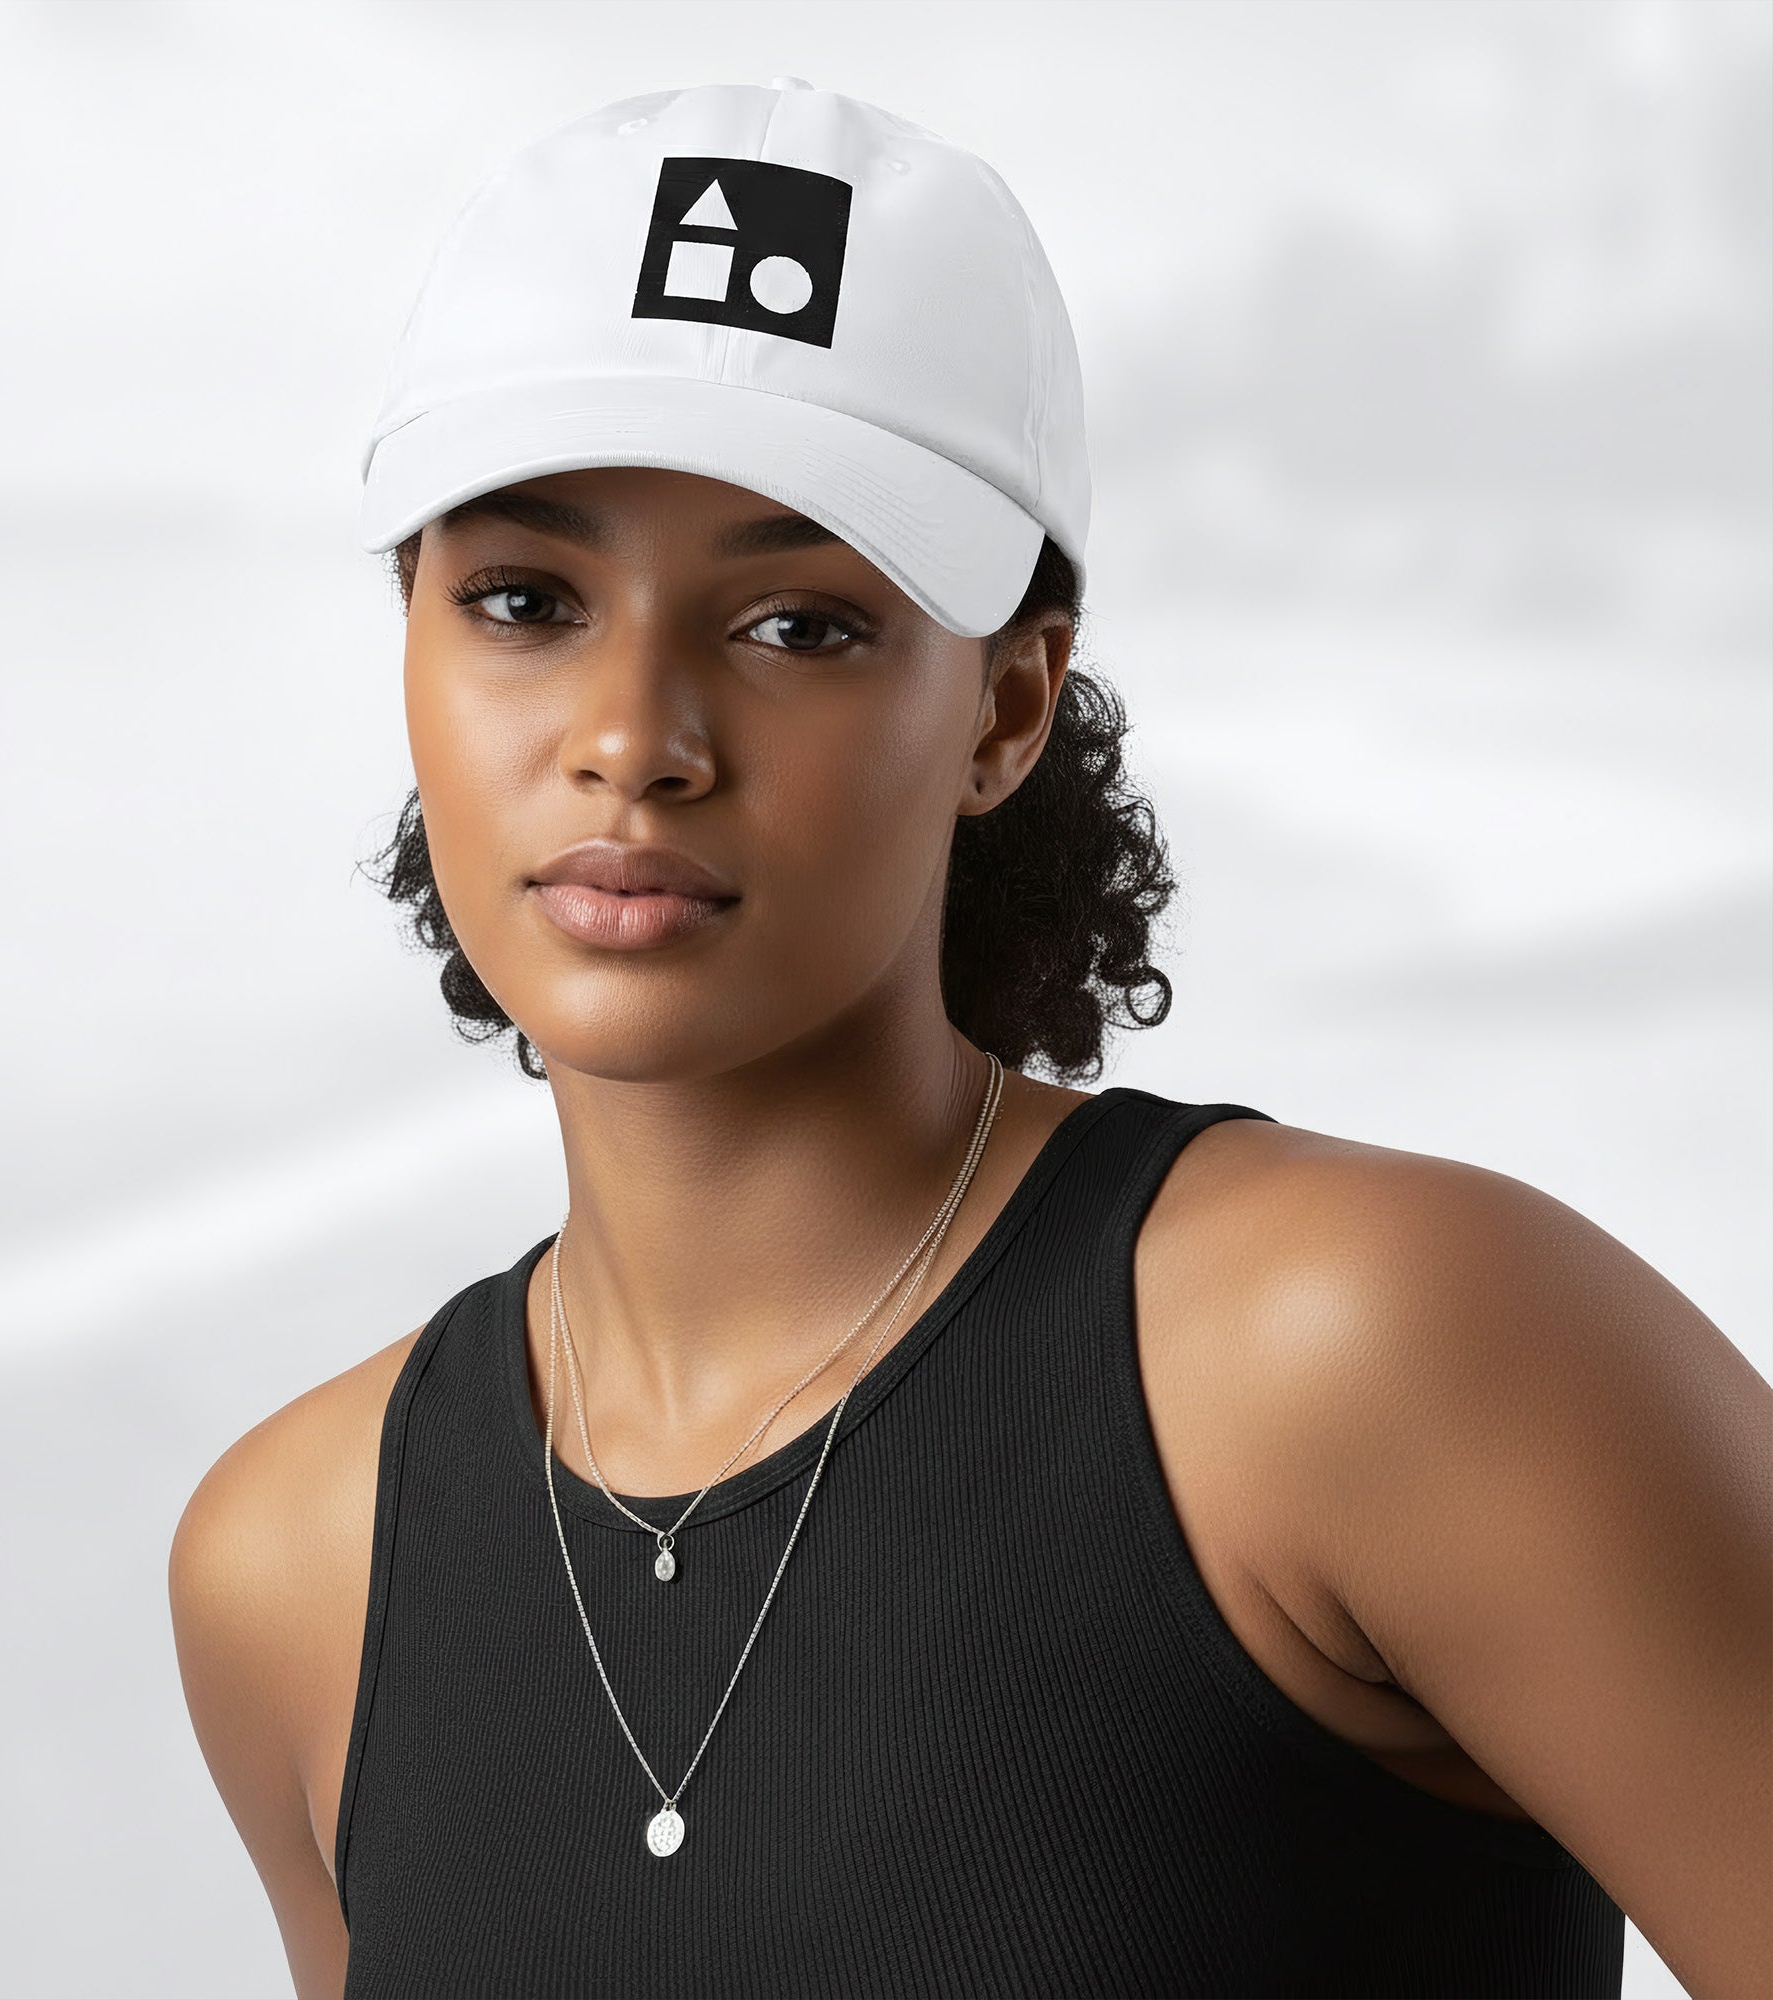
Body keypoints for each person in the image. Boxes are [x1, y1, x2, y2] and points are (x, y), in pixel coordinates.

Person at [167, 79, 1769, 2000]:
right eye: (525, 600)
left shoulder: (1366, 1348)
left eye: (798, 624)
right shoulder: (298, 1562)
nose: (633, 737)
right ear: (412, 641)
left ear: (1007, 708)